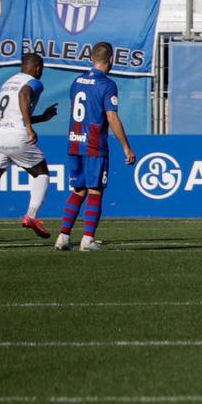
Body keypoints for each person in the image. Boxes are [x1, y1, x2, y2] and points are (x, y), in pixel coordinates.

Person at [53, 42, 136, 253]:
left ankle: (63, 236)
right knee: (95, 191)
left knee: (78, 189)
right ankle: (88, 239)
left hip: (74, 141)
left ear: (91, 59)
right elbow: (111, 117)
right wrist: (126, 147)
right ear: (111, 60)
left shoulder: (76, 81)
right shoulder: (107, 85)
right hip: (94, 144)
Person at [0, 51, 58, 239]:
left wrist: (42, 118)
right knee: (41, 173)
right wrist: (28, 126)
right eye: (40, 70)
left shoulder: (8, 82)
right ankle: (32, 216)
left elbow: (14, 112)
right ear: (37, 69)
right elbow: (23, 95)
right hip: (16, 136)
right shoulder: (34, 82)